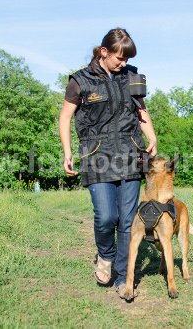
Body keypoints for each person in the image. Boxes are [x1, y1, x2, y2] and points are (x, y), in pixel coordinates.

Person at [59, 28, 157, 298]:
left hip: (130, 152)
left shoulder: (132, 76)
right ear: (104, 52)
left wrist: (152, 136)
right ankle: (106, 255)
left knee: (127, 221)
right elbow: (65, 117)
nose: (123, 64)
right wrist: (68, 152)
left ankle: (124, 277)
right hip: (97, 156)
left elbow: (141, 111)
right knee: (106, 217)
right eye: (119, 59)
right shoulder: (80, 81)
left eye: (126, 59)